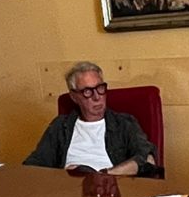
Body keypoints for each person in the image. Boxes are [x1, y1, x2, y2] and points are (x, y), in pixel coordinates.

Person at [23, 63, 159, 176]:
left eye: (100, 88)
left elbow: (147, 158)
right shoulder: (60, 126)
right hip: (69, 190)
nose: (97, 97)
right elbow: (33, 165)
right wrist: (62, 176)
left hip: (111, 187)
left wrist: (104, 174)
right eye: (88, 91)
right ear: (74, 97)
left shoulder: (124, 123)